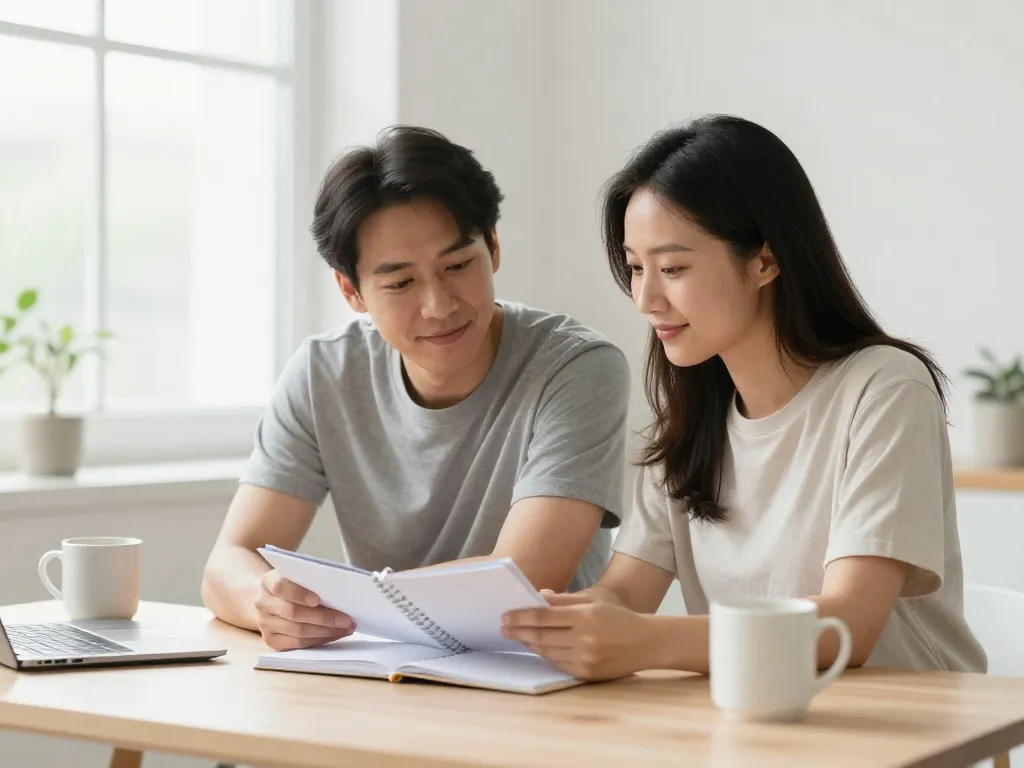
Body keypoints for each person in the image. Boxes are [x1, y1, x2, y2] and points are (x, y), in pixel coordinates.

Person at [501, 115, 987, 680]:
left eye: (672, 267)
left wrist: (648, 641)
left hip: (902, 734)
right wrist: (549, 624)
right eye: (636, 268)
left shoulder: (884, 389)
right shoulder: (690, 421)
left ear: (765, 260)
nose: (646, 298)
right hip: (756, 725)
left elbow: (848, 626)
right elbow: (625, 594)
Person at [202, 126, 630, 651]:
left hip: (532, 673)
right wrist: (268, 602)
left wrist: (354, 603)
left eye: (457, 265)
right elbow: (227, 564)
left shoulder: (577, 367)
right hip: (387, 672)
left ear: (493, 246)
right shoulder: (323, 373)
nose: (439, 305)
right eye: (401, 282)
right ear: (351, 291)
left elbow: (519, 580)